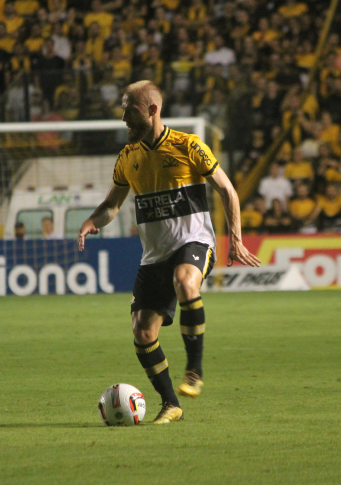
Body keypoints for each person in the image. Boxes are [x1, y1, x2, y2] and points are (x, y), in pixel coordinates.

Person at [78, 81, 260, 424]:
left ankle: (194, 370)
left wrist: (235, 238)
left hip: (194, 243)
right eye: (122, 110)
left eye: (129, 111)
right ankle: (171, 403)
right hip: (154, 255)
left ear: (152, 110)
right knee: (142, 332)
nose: (124, 119)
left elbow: (228, 190)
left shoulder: (188, 145)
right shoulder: (127, 158)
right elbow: (112, 205)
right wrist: (92, 220)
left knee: (184, 281)